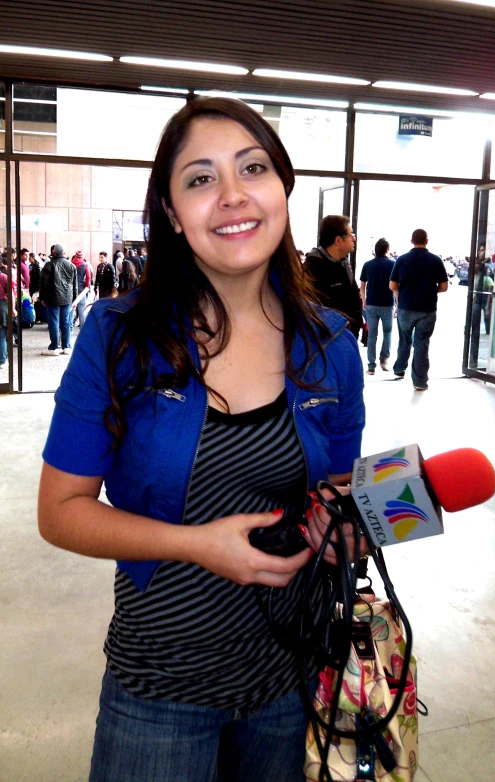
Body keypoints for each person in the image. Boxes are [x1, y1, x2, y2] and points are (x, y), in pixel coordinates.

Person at [37, 96, 365, 782]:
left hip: (289, 675)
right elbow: (61, 511)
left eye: (253, 168)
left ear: (281, 189)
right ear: (172, 214)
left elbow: (335, 488)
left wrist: (344, 528)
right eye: (200, 178)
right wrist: (196, 547)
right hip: (159, 687)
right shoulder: (118, 337)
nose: (233, 195)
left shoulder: (331, 345)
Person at [389, 228, 448, 391]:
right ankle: (420, 381)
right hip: (427, 309)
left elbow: (392, 285)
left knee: (404, 339)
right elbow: (444, 286)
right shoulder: (436, 260)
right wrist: (430, 290)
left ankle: (399, 370)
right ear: (427, 241)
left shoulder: (402, 259)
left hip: (406, 307)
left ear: (411, 241)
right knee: (422, 344)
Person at [303, 215, 362, 339]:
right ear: (338, 240)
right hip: (327, 340)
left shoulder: (344, 263)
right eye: (351, 235)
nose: (354, 239)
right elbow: (313, 307)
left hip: (347, 336)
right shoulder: (313, 267)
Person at [359, 238, 395, 375]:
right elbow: (396, 285)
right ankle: (384, 359)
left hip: (371, 304)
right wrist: (398, 302)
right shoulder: (393, 264)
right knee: (388, 333)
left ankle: (371, 366)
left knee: (372, 335)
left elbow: (362, 285)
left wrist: (363, 300)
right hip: (387, 303)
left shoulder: (368, 265)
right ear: (387, 249)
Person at [39, 244, 77, 356]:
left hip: (52, 298)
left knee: (54, 322)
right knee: (66, 322)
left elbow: (43, 284)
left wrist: (42, 298)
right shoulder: (71, 265)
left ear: (53, 253)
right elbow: (74, 285)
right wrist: (74, 299)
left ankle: (54, 347)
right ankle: (66, 346)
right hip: (67, 298)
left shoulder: (49, 265)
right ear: (63, 253)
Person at [70, 249, 91, 329]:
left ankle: (70, 326)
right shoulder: (85, 265)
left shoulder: (71, 264)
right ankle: (82, 327)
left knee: (71, 308)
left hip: (71, 290)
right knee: (81, 309)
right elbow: (88, 277)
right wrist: (86, 287)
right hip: (81, 290)